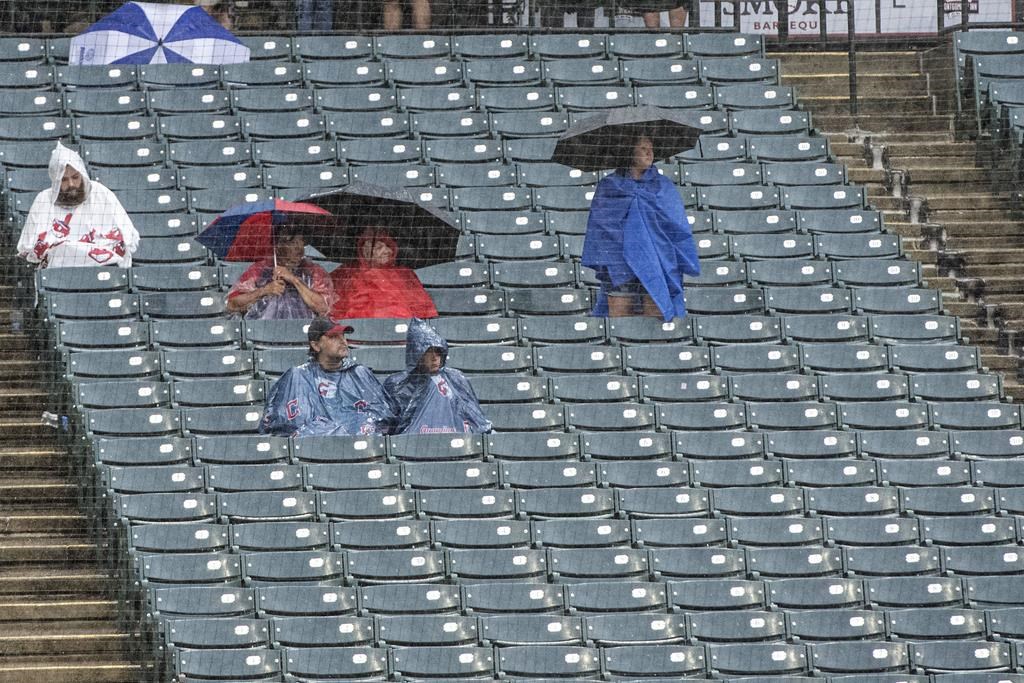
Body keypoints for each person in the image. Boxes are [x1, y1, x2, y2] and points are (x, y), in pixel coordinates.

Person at [581, 134, 700, 321]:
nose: (649, 153)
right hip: (620, 267)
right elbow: (600, 231)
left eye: (651, 148)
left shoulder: (664, 187)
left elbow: (676, 228)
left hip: (658, 264)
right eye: (643, 148)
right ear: (630, 152)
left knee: (655, 324)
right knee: (619, 325)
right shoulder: (609, 186)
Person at [260, 317, 396, 437]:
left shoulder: (360, 373)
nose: (342, 341)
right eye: (333, 337)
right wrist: (344, 431)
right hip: (315, 454)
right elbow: (296, 426)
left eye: (343, 335)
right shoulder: (298, 377)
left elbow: (383, 417)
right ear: (316, 345)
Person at [17, 141, 139, 269]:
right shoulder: (43, 200)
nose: (71, 184)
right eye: (64, 180)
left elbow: (129, 237)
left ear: (82, 174)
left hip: (103, 271)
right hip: (58, 277)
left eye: (75, 177)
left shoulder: (100, 192)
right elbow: (28, 248)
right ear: (55, 181)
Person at [384, 318, 491, 435]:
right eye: (429, 352)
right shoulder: (399, 384)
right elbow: (389, 428)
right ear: (417, 354)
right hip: (412, 447)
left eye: (438, 352)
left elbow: (475, 419)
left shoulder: (455, 379)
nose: (435, 358)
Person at [226, 223, 336, 320]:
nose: (299, 248)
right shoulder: (258, 270)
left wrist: (294, 280)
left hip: (303, 332)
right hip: (264, 330)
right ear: (277, 246)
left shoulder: (314, 271)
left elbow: (323, 308)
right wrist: (264, 290)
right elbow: (232, 305)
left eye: (301, 241)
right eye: (292, 242)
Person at [330, 228, 438, 320]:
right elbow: (339, 313)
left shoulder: (405, 274)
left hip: (404, 333)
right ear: (364, 251)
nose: (387, 251)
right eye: (378, 248)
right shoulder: (347, 274)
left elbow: (423, 309)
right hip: (363, 336)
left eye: (388, 246)